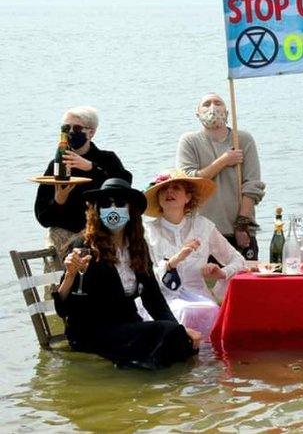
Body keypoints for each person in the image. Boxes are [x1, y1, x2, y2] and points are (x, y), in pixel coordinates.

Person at [52, 178, 200, 369]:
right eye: (106, 204)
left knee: (178, 338)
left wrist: (180, 329)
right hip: (93, 331)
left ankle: (172, 390)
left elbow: (154, 299)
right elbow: (63, 310)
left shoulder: (137, 247)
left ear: (131, 210)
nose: (113, 209)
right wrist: (70, 275)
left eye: (119, 203)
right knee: (167, 335)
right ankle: (159, 383)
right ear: (97, 211)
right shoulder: (85, 247)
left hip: (129, 326)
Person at [144, 170, 245, 338]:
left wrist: (221, 273)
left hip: (199, 296)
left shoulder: (203, 227)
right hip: (162, 298)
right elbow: (143, 276)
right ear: (158, 199)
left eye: (176, 188)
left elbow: (238, 260)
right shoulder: (147, 231)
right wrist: (172, 263)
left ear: (188, 197)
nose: (169, 192)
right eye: (163, 189)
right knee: (184, 310)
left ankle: (209, 360)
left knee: (210, 309)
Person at [177, 93, 265, 261]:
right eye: (207, 104)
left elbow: (252, 185)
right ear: (198, 113)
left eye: (218, 103)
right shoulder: (189, 141)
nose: (213, 107)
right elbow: (189, 180)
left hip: (238, 231)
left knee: (243, 281)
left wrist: (242, 224)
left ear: (226, 111)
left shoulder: (243, 139)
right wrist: (224, 160)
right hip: (201, 233)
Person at [35, 106, 132, 256]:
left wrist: (91, 168)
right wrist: (58, 201)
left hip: (101, 235)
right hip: (63, 241)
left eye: (77, 128)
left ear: (91, 132)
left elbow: (124, 188)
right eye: (67, 128)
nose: (71, 132)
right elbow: (43, 218)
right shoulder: (56, 165)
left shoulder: (107, 159)